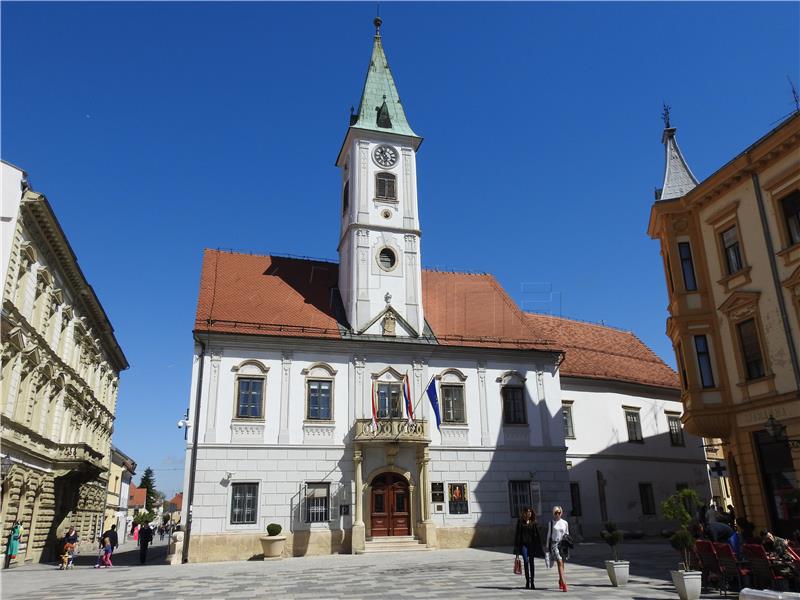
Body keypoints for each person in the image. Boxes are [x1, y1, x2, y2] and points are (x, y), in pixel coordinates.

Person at [513, 506, 545, 590]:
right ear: (524, 513)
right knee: (526, 561)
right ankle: (527, 581)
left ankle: (533, 582)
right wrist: (516, 549)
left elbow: (537, 536)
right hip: (523, 545)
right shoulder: (520, 522)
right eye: (528, 511)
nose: (529, 513)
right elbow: (517, 535)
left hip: (532, 545)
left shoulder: (534, 522)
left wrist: (540, 547)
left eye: (530, 511)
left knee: (531, 562)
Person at [545, 505, 570, 592]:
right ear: (553, 513)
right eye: (556, 513)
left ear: (561, 513)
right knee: (559, 562)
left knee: (562, 564)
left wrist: (567, 544)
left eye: (559, 512)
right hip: (554, 544)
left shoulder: (565, 523)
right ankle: (564, 584)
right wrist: (547, 547)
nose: (557, 514)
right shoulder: (551, 523)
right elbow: (549, 535)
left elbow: (567, 534)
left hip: (563, 544)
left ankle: (560, 581)